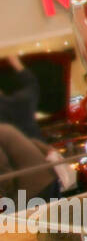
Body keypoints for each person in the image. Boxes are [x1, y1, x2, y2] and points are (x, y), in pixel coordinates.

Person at [0, 55, 75, 197]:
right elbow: (32, 84)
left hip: (29, 188)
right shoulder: (23, 101)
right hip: (47, 174)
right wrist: (18, 65)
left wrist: (5, 197)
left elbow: (4, 174)